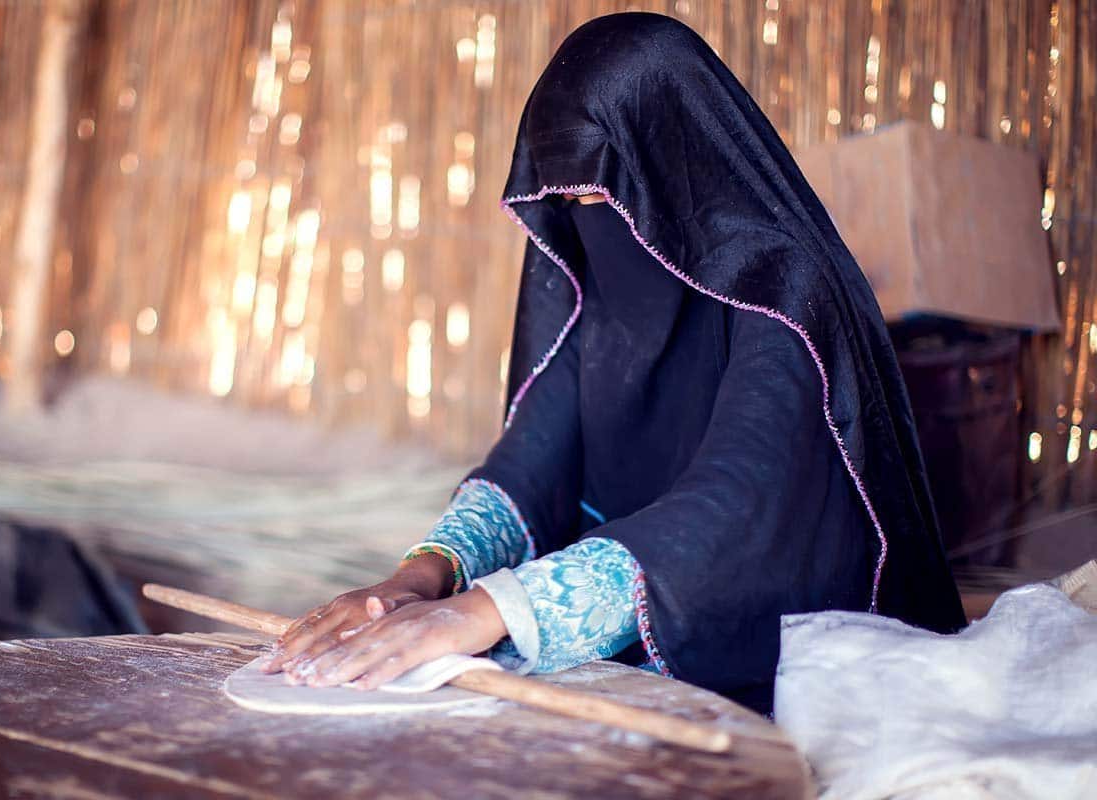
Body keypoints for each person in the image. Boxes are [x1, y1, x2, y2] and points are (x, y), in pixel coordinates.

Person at [262, 11, 965, 713]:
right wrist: (421, 578)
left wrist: (486, 611)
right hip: (641, 608)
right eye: (565, 201)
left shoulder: (787, 295)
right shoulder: (602, 289)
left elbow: (732, 505)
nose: (586, 221)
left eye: (597, 195)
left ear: (673, 168)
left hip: (795, 636)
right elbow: (531, 464)